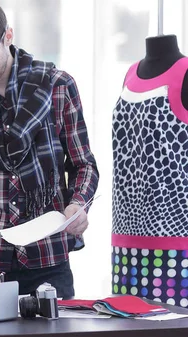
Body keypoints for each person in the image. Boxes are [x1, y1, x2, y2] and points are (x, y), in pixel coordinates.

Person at [0, 0, 99, 299]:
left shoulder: (58, 87)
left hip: (48, 255)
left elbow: (83, 165)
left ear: (8, 36)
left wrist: (78, 205)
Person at [111, 34, 188, 307]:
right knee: (125, 322)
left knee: (173, 327)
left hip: (176, 239)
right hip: (124, 238)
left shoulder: (185, 72)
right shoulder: (130, 74)